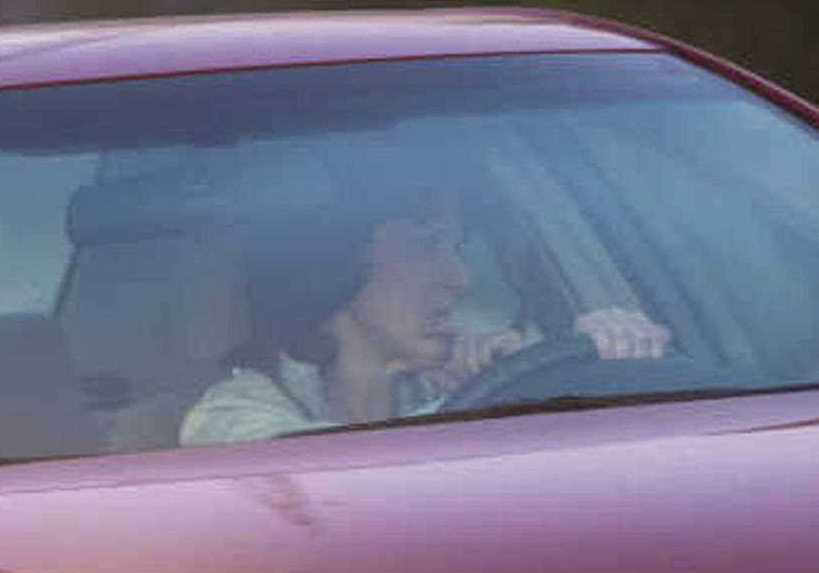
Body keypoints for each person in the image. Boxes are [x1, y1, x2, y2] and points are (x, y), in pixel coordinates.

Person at [181, 172, 669, 445]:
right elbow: (324, 470)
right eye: (425, 248)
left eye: (456, 249)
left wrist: (612, 351)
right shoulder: (231, 413)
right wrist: (482, 410)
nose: (461, 279)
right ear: (334, 272)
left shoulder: (455, 374)